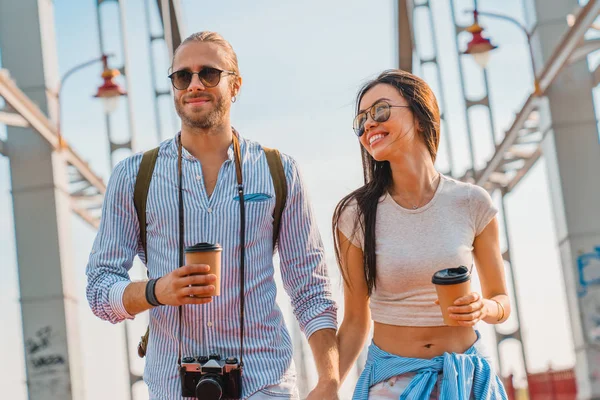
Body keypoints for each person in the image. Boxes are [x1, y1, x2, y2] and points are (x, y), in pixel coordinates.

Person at [86, 31, 339, 400]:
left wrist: (330, 380)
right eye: (181, 76)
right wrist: (157, 291)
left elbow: (311, 289)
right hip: (173, 387)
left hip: (265, 385)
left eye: (208, 73)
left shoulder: (279, 171)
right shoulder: (132, 177)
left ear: (235, 85)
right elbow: (98, 289)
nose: (193, 85)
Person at [333, 69, 510, 399]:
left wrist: (482, 308)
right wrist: (328, 386)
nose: (368, 124)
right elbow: (356, 321)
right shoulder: (355, 214)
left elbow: (502, 301)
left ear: (419, 115)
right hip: (391, 383)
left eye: (380, 111)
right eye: (361, 120)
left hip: (468, 380)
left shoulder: (472, 202)